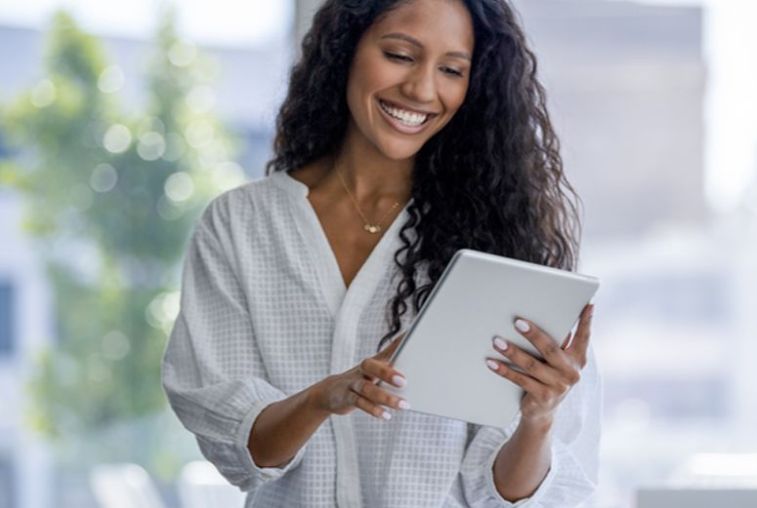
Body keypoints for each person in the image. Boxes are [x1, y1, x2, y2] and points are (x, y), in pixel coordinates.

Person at [160, 0, 601, 506]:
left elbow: (503, 493)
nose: (422, 89)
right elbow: (243, 452)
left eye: (452, 70)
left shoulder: (506, 242)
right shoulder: (242, 225)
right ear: (345, 51)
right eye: (399, 54)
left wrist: (540, 418)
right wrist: (322, 398)